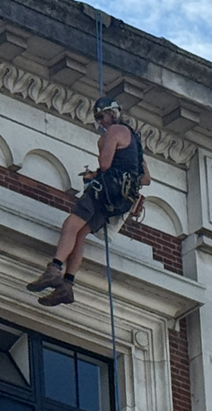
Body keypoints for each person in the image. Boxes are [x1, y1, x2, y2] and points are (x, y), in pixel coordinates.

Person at [25, 96, 149, 306]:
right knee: (81, 234)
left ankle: (54, 269)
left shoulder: (114, 131)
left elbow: (106, 164)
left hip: (105, 190)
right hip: (120, 201)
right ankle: (67, 285)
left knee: (71, 225)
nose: (100, 122)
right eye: (98, 118)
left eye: (101, 116)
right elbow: (146, 178)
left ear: (112, 113)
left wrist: (100, 156)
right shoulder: (136, 143)